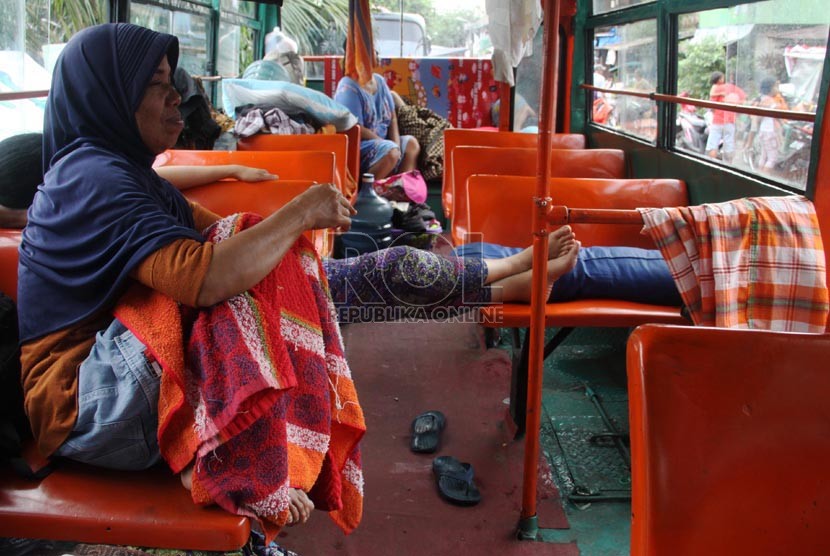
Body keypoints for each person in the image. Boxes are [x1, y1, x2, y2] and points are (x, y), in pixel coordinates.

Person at [15, 22, 582, 550]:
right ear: (110, 99)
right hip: (86, 406)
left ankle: (496, 282)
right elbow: (208, 278)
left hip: (131, 384)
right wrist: (300, 211)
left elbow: (234, 251)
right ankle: (231, 465)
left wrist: (302, 262)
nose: (176, 97)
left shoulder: (127, 175)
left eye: (171, 83)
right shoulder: (92, 180)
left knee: (326, 274)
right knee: (247, 255)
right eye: (157, 86)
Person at [334, 62, 420, 180]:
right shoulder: (347, 86)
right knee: (391, 153)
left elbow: (392, 117)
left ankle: (400, 187)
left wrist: (397, 145)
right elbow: (353, 126)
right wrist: (388, 145)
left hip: (385, 143)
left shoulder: (379, 80)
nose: (376, 54)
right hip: (361, 146)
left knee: (411, 144)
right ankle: (367, 192)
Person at [706, 71, 746, 162]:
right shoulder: (731, 87)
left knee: (713, 144)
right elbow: (743, 97)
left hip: (717, 121)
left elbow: (711, 107)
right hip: (729, 121)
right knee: (729, 144)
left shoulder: (714, 89)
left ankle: (711, 163)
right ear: (720, 79)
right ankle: (729, 165)